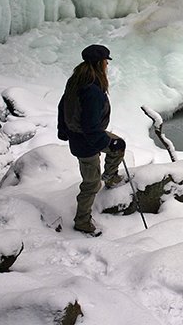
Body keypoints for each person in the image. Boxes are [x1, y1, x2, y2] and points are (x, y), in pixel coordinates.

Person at [57, 44, 126, 236]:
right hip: (85, 141)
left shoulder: (77, 80)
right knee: (91, 183)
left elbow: (62, 105)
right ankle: (82, 221)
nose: (107, 65)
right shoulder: (92, 90)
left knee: (119, 144)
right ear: (99, 63)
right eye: (105, 61)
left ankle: (111, 177)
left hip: (81, 135)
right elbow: (90, 126)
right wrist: (104, 143)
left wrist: (62, 129)